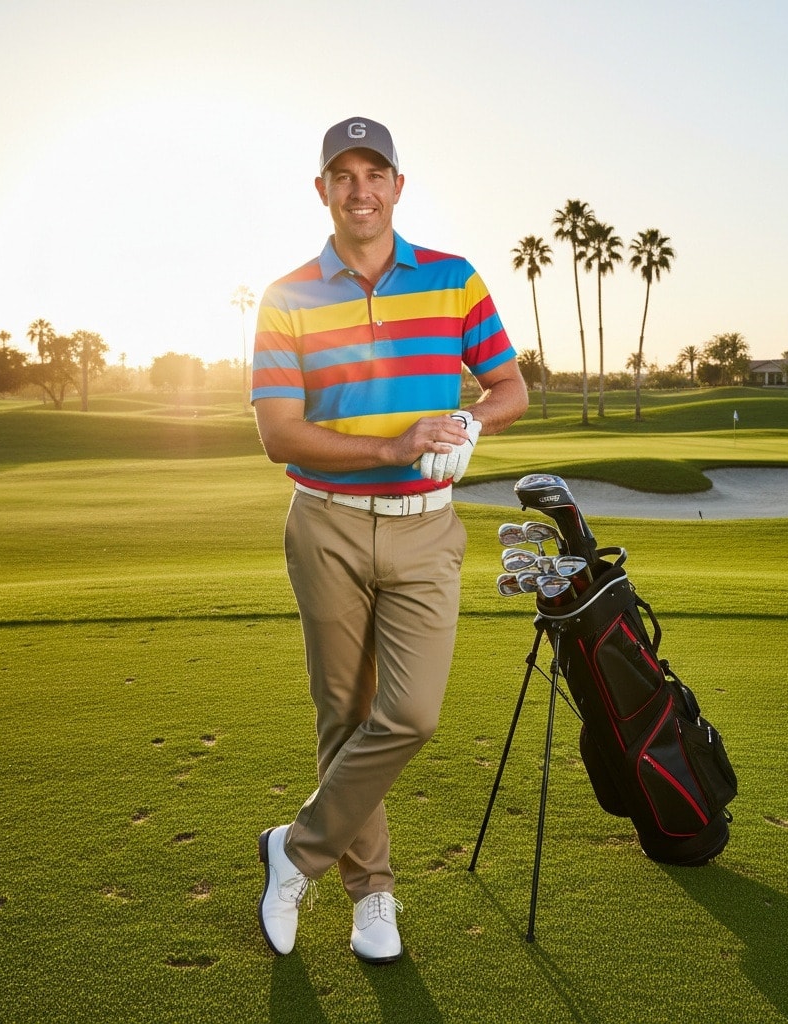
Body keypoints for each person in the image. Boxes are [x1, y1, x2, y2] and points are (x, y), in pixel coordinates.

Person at [251, 116, 528, 964]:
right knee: (344, 712)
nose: (361, 189)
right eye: (344, 175)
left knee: (408, 714)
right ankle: (373, 894)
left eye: (376, 174)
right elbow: (278, 435)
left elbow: (510, 386)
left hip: (426, 533)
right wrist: (390, 447)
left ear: (398, 187)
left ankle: (292, 850)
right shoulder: (287, 296)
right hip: (327, 523)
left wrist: (468, 422)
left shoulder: (453, 280)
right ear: (323, 190)